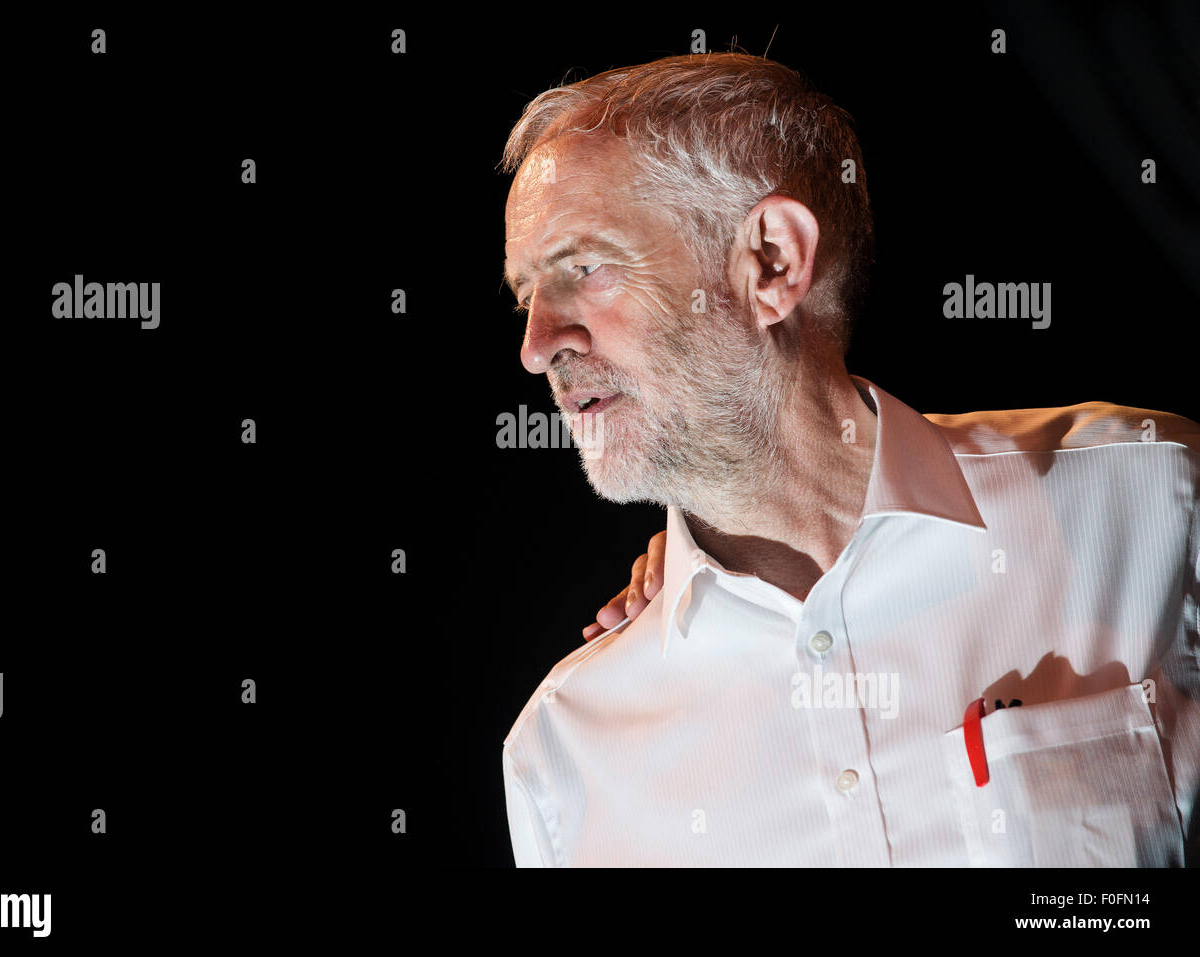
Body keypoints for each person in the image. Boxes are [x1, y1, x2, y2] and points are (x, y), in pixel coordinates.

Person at [500, 52, 1200, 866]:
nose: (536, 344)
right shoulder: (564, 753)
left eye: (583, 269)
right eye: (525, 296)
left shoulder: (1159, 498)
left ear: (772, 261)